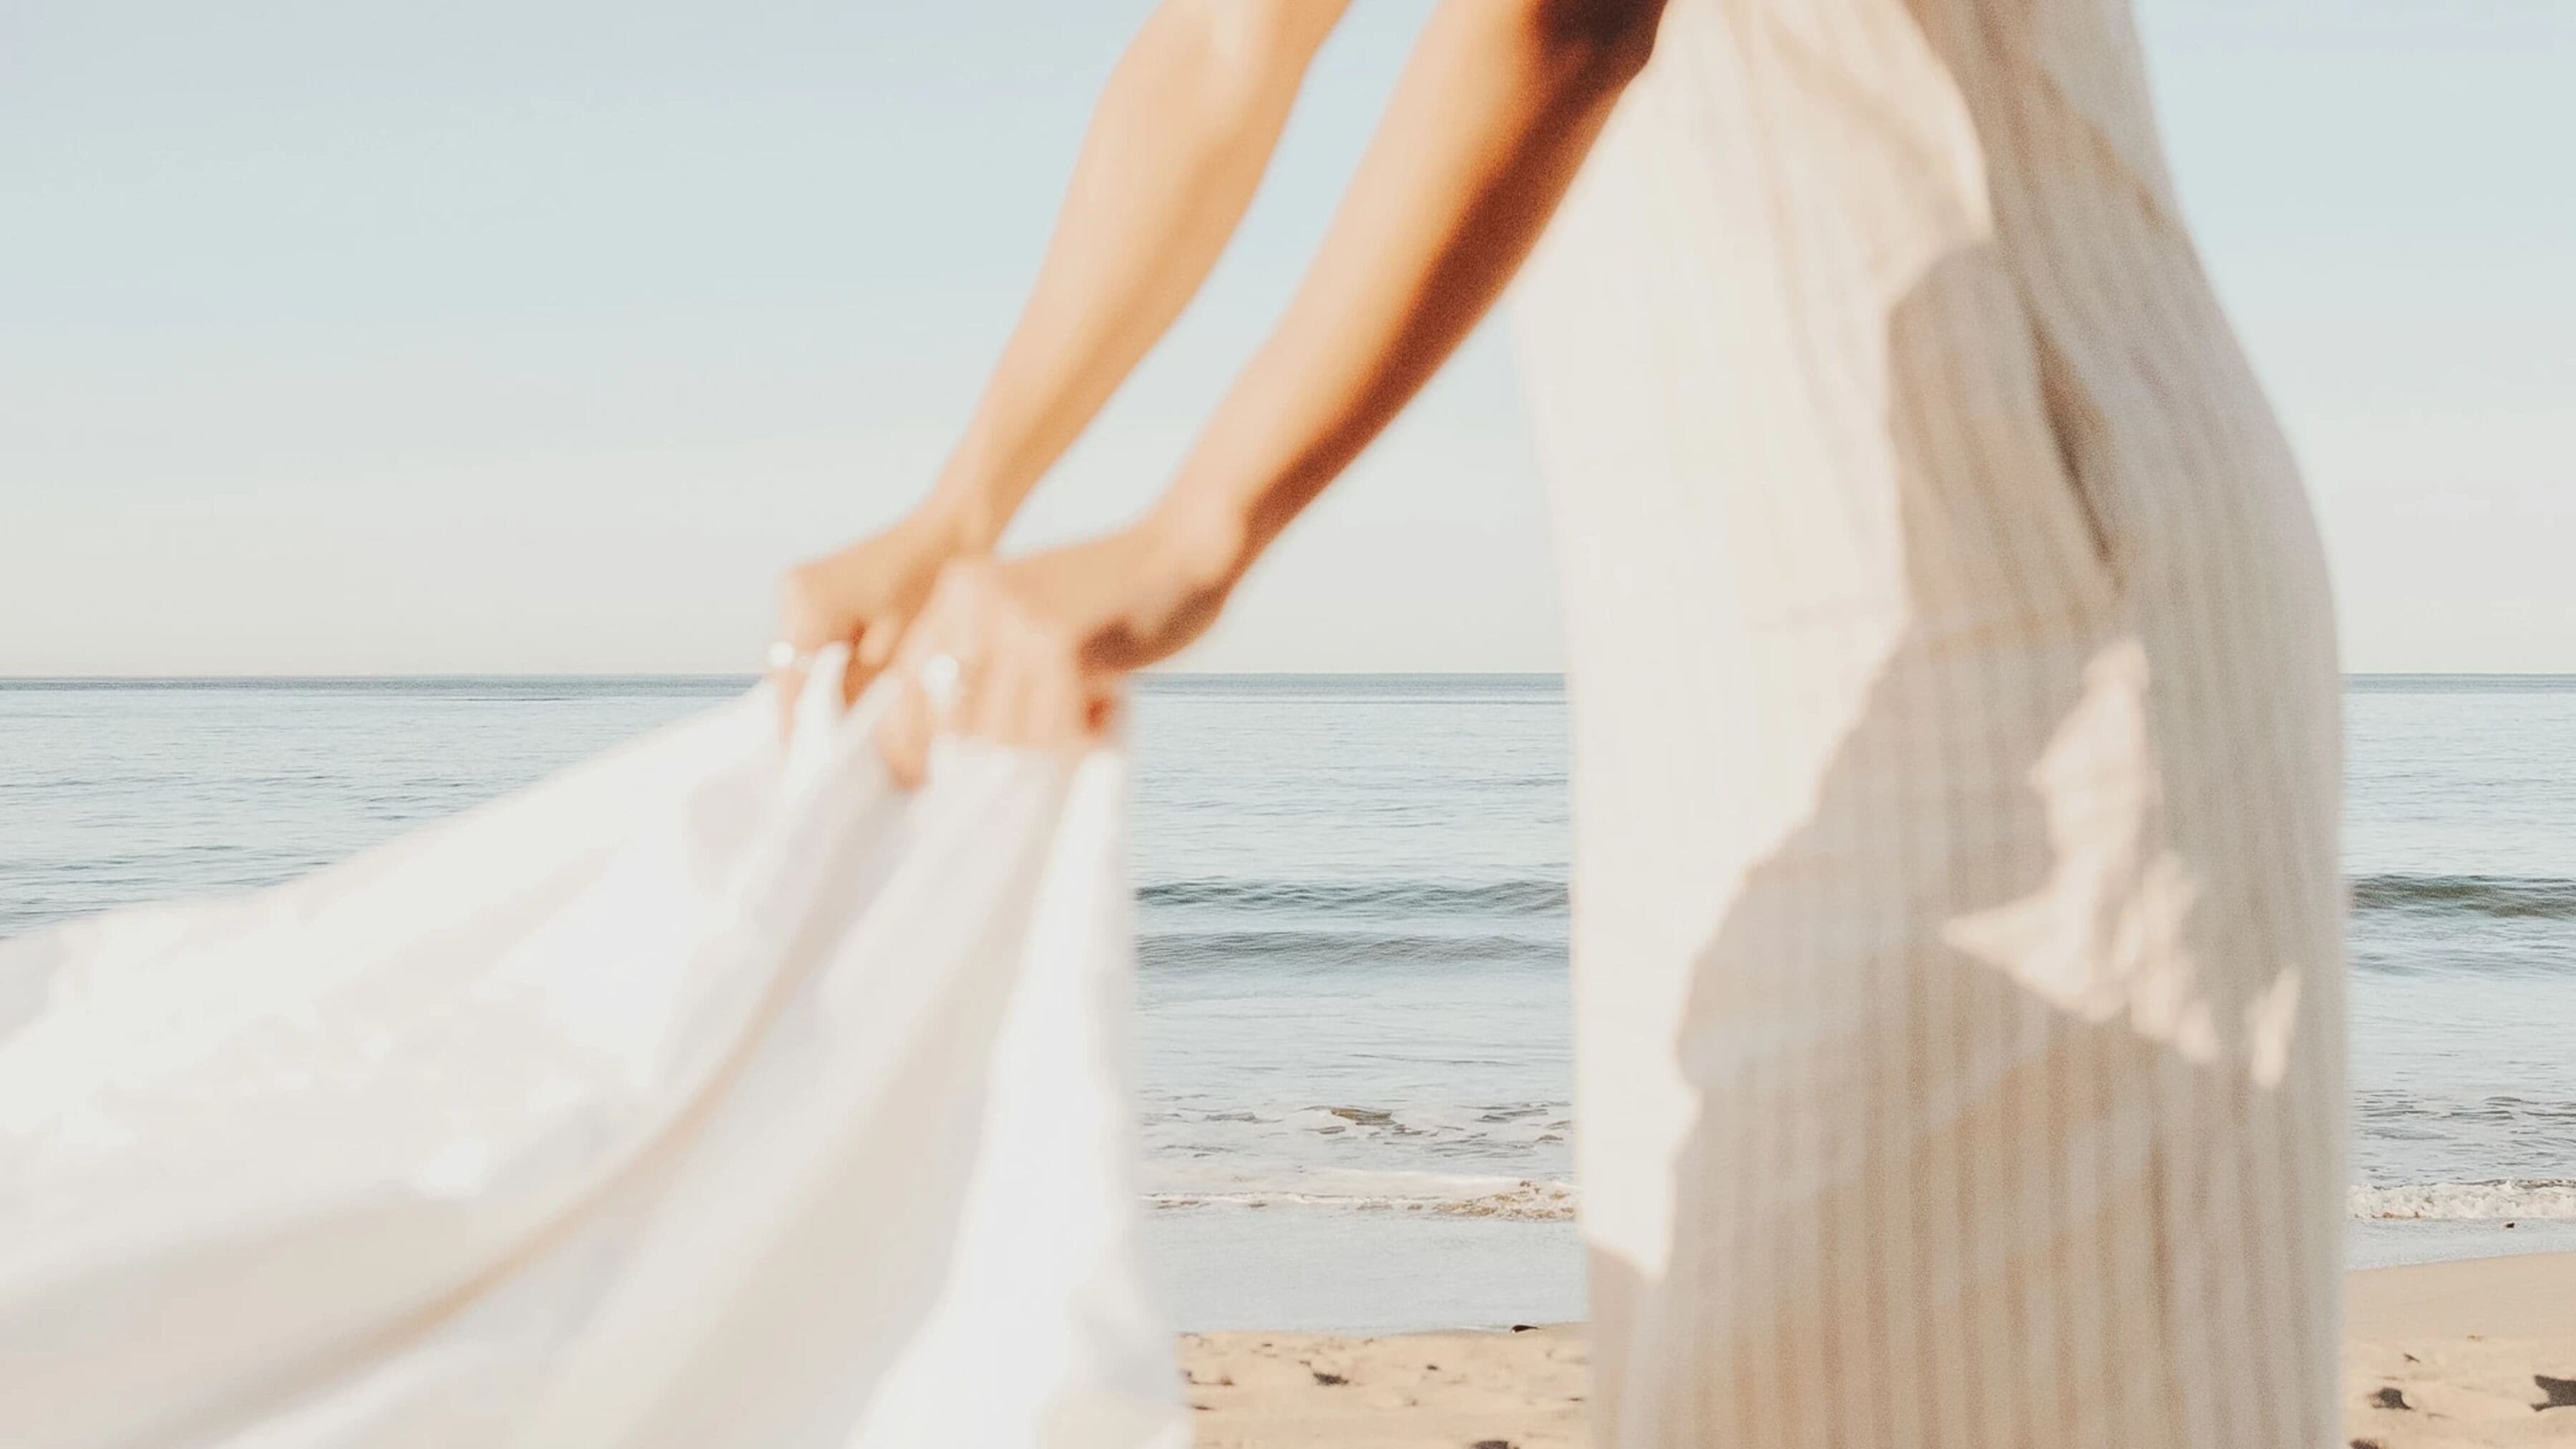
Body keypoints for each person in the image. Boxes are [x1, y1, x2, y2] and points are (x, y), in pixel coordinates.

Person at [774, 0, 2344, 1444]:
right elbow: (1225, 48)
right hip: (1725, 624)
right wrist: (966, 503)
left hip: (2028, 569)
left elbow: (1562, 22)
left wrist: (1200, 534)